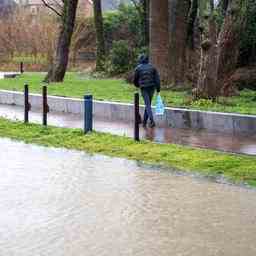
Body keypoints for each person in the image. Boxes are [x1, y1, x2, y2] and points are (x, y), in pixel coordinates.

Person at [133, 54, 161, 128]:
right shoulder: (153, 67)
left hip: (144, 88)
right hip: (152, 88)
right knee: (148, 104)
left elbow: (135, 80)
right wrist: (158, 89)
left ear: (140, 60)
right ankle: (144, 122)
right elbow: (157, 80)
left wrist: (137, 85)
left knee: (147, 105)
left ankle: (152, 121)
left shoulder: (138, 68)